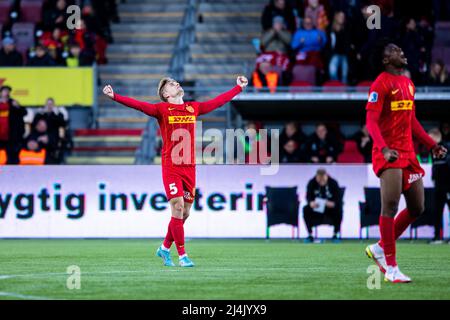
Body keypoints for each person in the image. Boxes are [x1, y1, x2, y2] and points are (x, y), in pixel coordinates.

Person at [103, 76, 248, 267]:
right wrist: (115, 96)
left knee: (185, 213)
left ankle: (164, 248)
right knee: (178, 207)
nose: (177, 84)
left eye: (176, 82)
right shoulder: (161, 109)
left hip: (190, 167)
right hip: (171, 166)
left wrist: (238, 88)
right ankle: (182, 256)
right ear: (166, 94)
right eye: (172, 84)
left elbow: (216, 102)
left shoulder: (192, 108)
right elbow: (138, 105)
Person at [364, 43, 447, 283]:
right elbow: (371, 121)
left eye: (403, 49)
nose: (402, 53)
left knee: (417, 207)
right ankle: (391, 268)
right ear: (386, 60)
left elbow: (411, 121)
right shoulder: (381, 83)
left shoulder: (409, 85)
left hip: (409, 154)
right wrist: (383, 148)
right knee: (389, 206)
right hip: (389, 154)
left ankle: (380, 247)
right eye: (396, 51)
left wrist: (431, 144)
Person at [303, 169, 343, 243]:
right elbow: (308, 197)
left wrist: (333, 203)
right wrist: (311, 203)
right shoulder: (311, 183)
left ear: (326, 176)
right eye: (319, 179)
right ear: (316, 177)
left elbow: (338, 199)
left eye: (323, 179)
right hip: (316, 208)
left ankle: (335, 234)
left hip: (330, 209)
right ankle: (310, 235)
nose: (321, 181)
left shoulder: (333, 183)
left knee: (339, 209)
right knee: (305, 209)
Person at [428, 128, 450, 244]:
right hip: (438, 186)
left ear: (437, 137)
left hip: (447, 186)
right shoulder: (433, 150)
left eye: (430, 138)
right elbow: (435, 167)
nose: (428, 140)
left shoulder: (446, 147)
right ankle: (437, 237)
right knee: (437, 211)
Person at [0, 86, 27, 164]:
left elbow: (24, 112)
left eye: (7, 91)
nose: (6, 93)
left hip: (11, 135)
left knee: (12, 156)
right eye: (4, 91)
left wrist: (18, 106)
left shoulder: (13, 102)